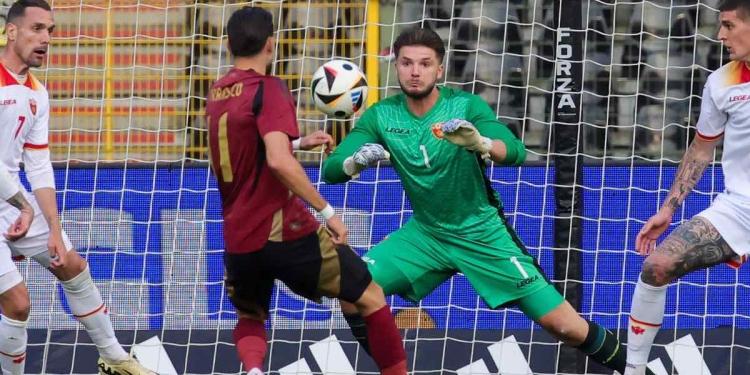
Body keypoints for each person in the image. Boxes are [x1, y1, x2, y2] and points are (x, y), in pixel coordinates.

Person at [322, 26, 654, 375]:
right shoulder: (381, 115)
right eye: (406, 63)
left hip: (481, 232)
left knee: (565, 327)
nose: (415, 71)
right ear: (396, 67)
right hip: (426, 234)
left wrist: (481, 143)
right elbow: (331, 170)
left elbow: (515, 152)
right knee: (350, 290)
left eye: (424, 63)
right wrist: (354, 161)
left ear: (440, 69)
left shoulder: (464, 106)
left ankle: (641, 371)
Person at [204, 7, 407, 375]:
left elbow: (246, 149)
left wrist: (298, 143)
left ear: (229, 45)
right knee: (370, 296)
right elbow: (278, 163)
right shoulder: (269, 88)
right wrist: (328, 212)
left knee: (251, 314)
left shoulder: (218, 92)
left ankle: (252, 371)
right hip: (284, 229)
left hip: (238, 234)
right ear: (271, 44)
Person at [0, 1, 160, 375]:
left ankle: (114, 357)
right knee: (18, 302)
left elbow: (38, 167)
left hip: (11, 200)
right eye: (36, 28)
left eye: (50, 31)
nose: (45, 39)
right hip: (12, 200)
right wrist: (24, 207)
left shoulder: (38, 93)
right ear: (10, 31)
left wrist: (53, 228)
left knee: (72, 264)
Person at [625, 1, 750, 374]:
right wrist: (668, 208)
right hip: (740, 208)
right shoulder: (721, 81)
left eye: (728, 26)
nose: (720, 36)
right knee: (657, 266)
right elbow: (701, 148)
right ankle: (632, 370)